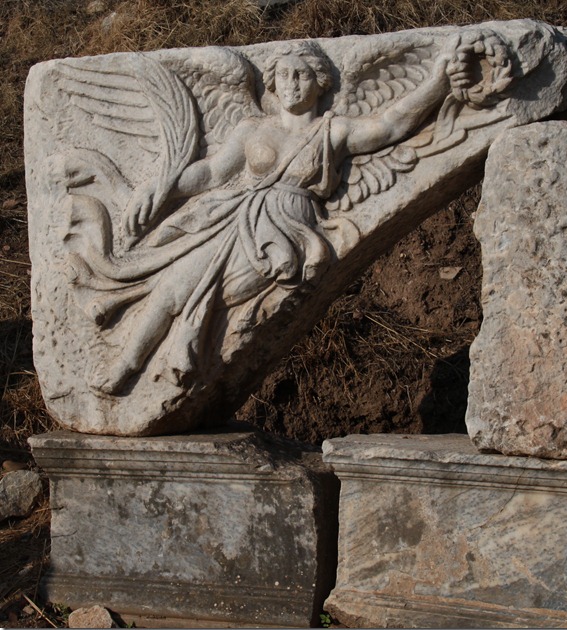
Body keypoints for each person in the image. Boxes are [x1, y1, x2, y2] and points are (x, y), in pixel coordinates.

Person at [73, 40, 473, 395]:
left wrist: (438, 82)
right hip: (231, 216)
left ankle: (182, 359)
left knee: (215, 295)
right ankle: (126, 367)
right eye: (284, 75)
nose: (292, 84)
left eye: (301, 75)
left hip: (284, 231)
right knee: (172, 287)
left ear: (320, 82)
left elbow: (390, 125)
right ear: (273, 82)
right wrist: (162, 188)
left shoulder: (333, 131)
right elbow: (211, 173)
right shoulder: (253, 128)